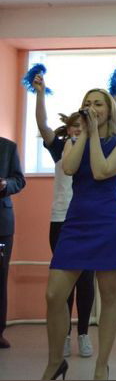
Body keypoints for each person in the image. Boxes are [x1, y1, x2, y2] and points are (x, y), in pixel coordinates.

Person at [42, 88, 116, 380]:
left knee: (109, 295)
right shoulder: (73, 141)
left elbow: (101, 170)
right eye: (87, 103)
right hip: (76, 221)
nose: (92, 107)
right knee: (54, 294)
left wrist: (93, 134)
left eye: (98, 104)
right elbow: (69, 168)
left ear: (109, 110)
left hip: (108, 221)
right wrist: (83, 133)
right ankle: (56, 362)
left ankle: (101, 366)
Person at [33, 74, 95, 358]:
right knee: (65, 281)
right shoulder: (59, 148)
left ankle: (84, 334)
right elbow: (42, 125)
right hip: (61, 221)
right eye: (74, 125)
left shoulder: (93, 150)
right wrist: (40, 93)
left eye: (82, 125)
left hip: (87, 220)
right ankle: (66, 335)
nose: (77, 129)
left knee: (86, 281)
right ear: (68, 129)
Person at [0, 136, 26, 349]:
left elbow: (19, 180)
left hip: (2, 226)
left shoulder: (8, 147)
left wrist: (5, 184)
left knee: (0, 278)